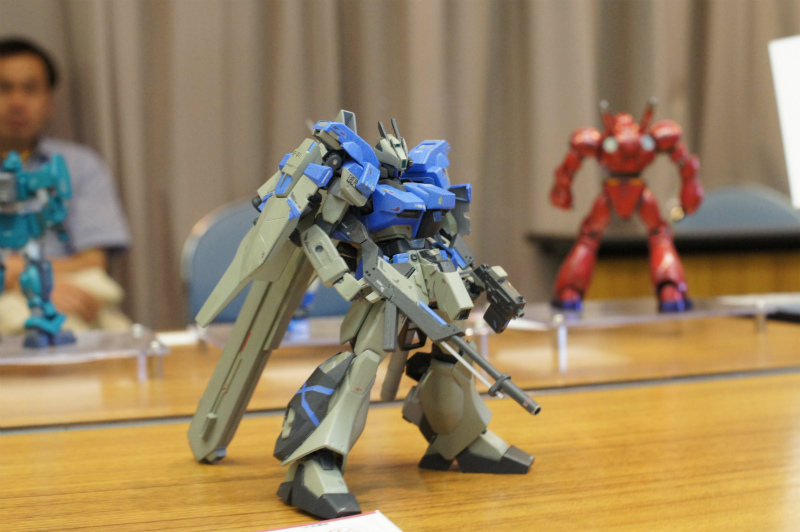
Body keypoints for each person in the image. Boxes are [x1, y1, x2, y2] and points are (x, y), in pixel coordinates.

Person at [0, 37, 131, 333]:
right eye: (4, 88)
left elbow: (93, 261)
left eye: (30, 89)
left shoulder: (80, 165)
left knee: (106, 315)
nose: (17, 102)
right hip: (15, 294)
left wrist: (32, 276)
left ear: (49, 101)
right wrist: (25, 282)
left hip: (68, 289)